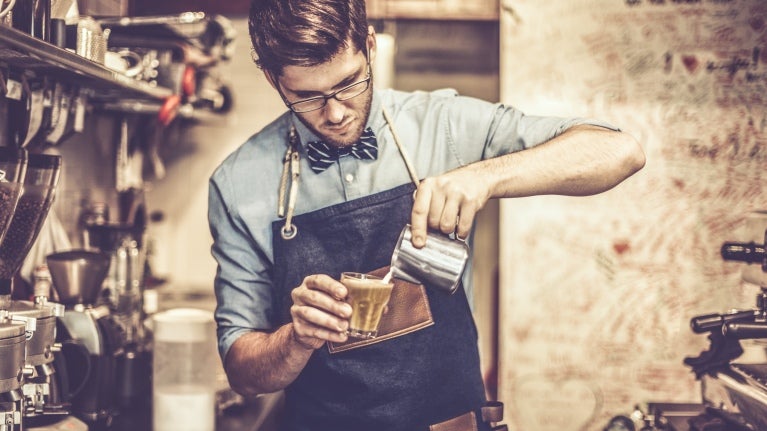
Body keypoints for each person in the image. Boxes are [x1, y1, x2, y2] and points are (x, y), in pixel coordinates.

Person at [207, 0, 646, 430]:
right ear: (271, 79)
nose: (336, 113)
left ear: (370, 47)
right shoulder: (238, 185)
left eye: (349, 83)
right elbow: (243, 375)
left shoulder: (444, 124)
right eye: (307, 97)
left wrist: (486, 177)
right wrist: (294, 340)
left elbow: (619, 152)